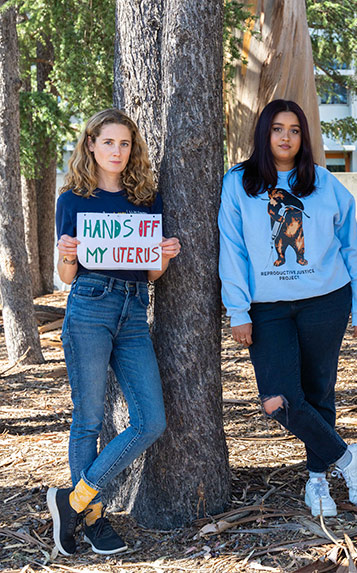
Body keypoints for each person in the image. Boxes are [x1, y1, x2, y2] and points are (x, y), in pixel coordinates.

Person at [218, 100, 357, 518]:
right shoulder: (239, 184)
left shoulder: (323, 183)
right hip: (266, 307)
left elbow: (352, 248)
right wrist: (237, 309)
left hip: (325, 299)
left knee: (319, 390)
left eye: (294, 130)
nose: (285, 137)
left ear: (303, 137)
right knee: (278, 400)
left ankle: (318, 480)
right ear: (264, 134)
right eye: (277, 129)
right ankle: (348, 458)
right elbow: (232, 250)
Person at [48, 109, 181, 556]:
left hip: (133, 310)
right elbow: (67, 275)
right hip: (89, 303)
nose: (117, 152)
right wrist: (66, 253)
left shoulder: (146, 198)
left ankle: (74, 499)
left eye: (125, 144)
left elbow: (151, 273)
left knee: (151, 421)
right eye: (108, 143)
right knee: (88, 419)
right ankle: (93, 520)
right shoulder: (72, 200)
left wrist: (164, 254)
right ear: (91, 145)